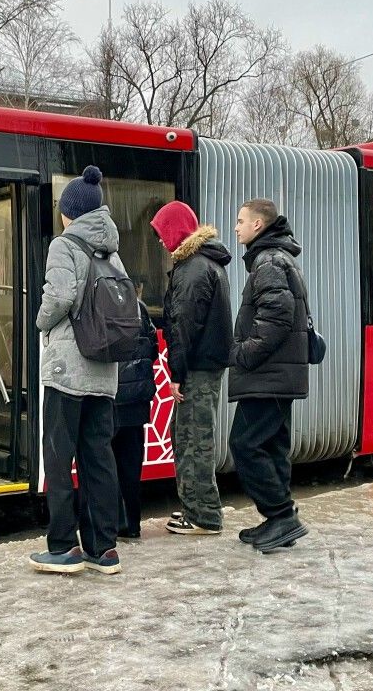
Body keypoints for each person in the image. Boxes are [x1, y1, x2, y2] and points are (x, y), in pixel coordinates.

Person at [28, 165, 125, 575]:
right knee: (98, 458)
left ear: (70, 212)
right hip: (104, 372)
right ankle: (103, 549)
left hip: (68, 371)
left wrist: (40, 322)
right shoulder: (112, 249)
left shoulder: (64, 245)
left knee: (58, 458)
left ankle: (64, 545)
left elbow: (60, 295)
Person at [227, 199, 310, 553]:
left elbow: (276, 317)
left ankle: (280, 515)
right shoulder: (277, 258)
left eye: (241, 221)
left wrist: (243, 353)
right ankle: (280, 519)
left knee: (244, 444)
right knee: (273, 445)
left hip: (267, 375)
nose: (236, 227)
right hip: (278, 375)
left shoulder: (269, 261)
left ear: (258, 225)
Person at [149, 200, 233, 535]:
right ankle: (197, 509)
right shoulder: (207, 264)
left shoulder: (192, 269)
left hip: (196, 369)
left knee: (193, 439)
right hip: (205, 366)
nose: (159, 240)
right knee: (190, 435)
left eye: (161, 231)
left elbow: (182, 328)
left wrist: (177, 376)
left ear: (175, 230)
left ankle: (203, 515)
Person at [111, 300, 158, 539]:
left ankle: (113, 523)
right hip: (137, 397)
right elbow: (153, 348)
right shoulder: (138, 306)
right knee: (130, 464)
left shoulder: (97, 302)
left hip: (109, 397)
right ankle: (132, 525)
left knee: (107, 462)